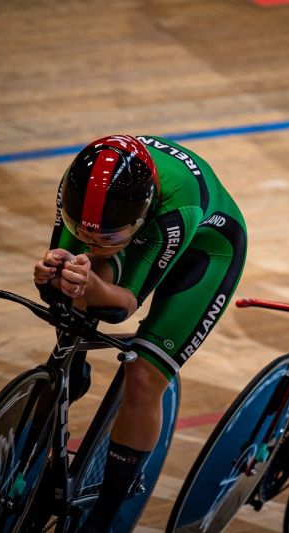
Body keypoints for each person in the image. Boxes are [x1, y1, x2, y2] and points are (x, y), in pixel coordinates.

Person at [33, 134, 247, 531]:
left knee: (144, 378)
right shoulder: (78, 186)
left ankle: (105, 514)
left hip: (205, 251)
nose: (93, 242)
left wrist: (92, 286)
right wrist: (53, 271)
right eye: (82, 229)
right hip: (134, 229)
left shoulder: (175, 208)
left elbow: (123, 305)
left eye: (106, 237)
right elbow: (70, 266)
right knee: (74, 290)